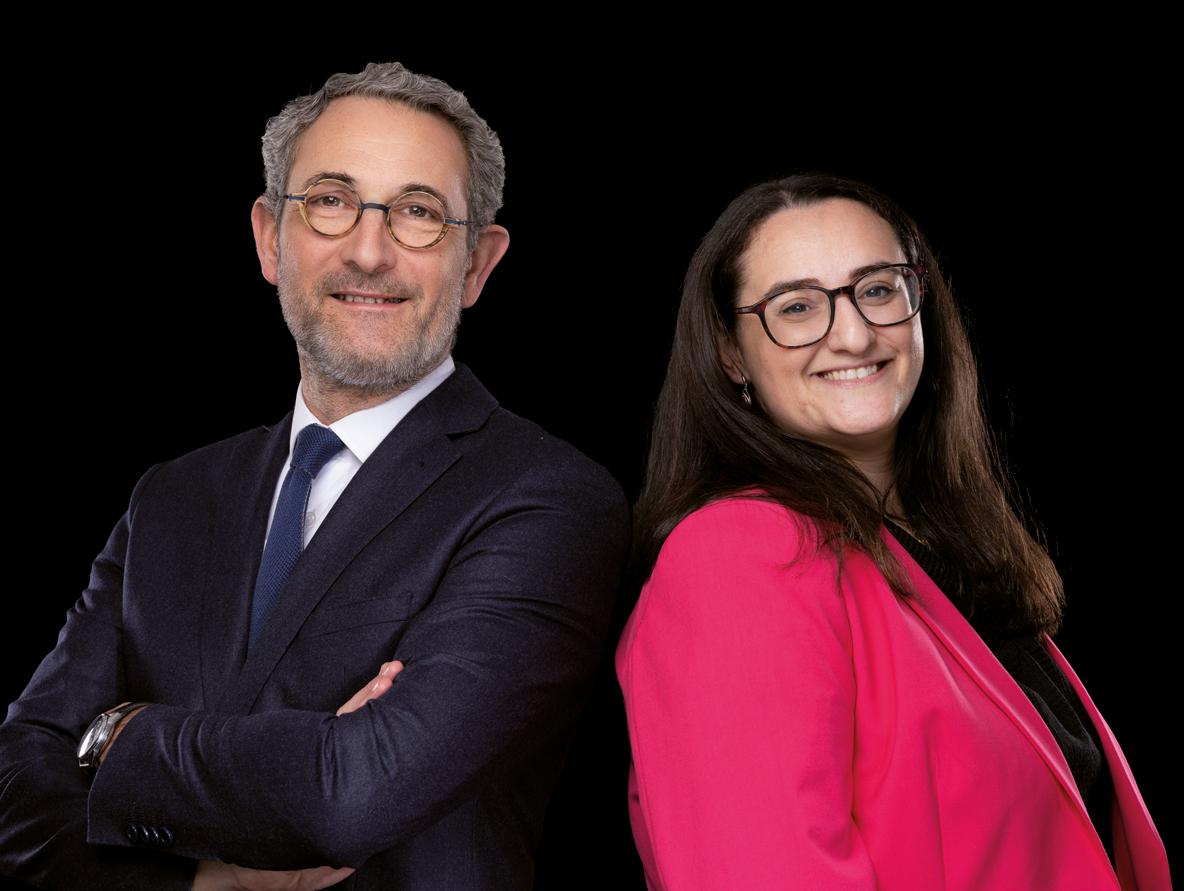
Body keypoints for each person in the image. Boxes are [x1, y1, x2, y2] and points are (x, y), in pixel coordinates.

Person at [0, 63, 629, 890]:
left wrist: (114, 733)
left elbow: (350, 796)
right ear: (270, 238)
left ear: (477, 264)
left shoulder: (549, 500)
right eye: (331, 200)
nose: (369, 251)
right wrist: (209, 881)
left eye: (417, 212)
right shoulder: (172, 497)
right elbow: (14, 788)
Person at [616, 173, 1170, 890]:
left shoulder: (945, 552)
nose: (852, 334)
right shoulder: (735, 556)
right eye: (796, 306)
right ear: (731, 354)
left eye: (877, 289)